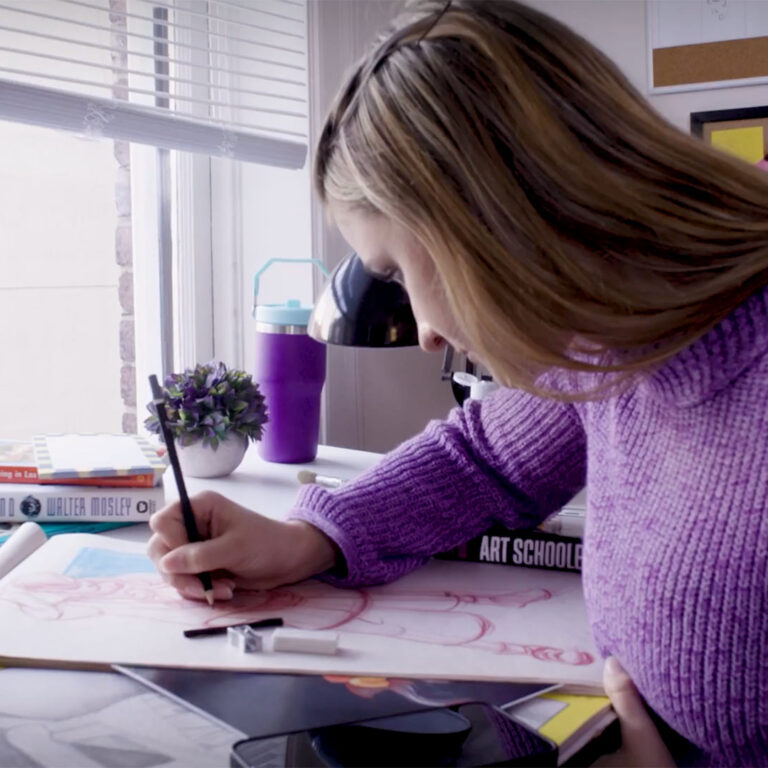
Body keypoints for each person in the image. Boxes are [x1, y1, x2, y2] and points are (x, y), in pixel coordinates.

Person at [148, 1, 768, 764]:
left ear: (500, 225)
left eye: (400, 274)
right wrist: (310, 538)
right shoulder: (613, 337)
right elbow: (485, 457)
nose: (423, 331)